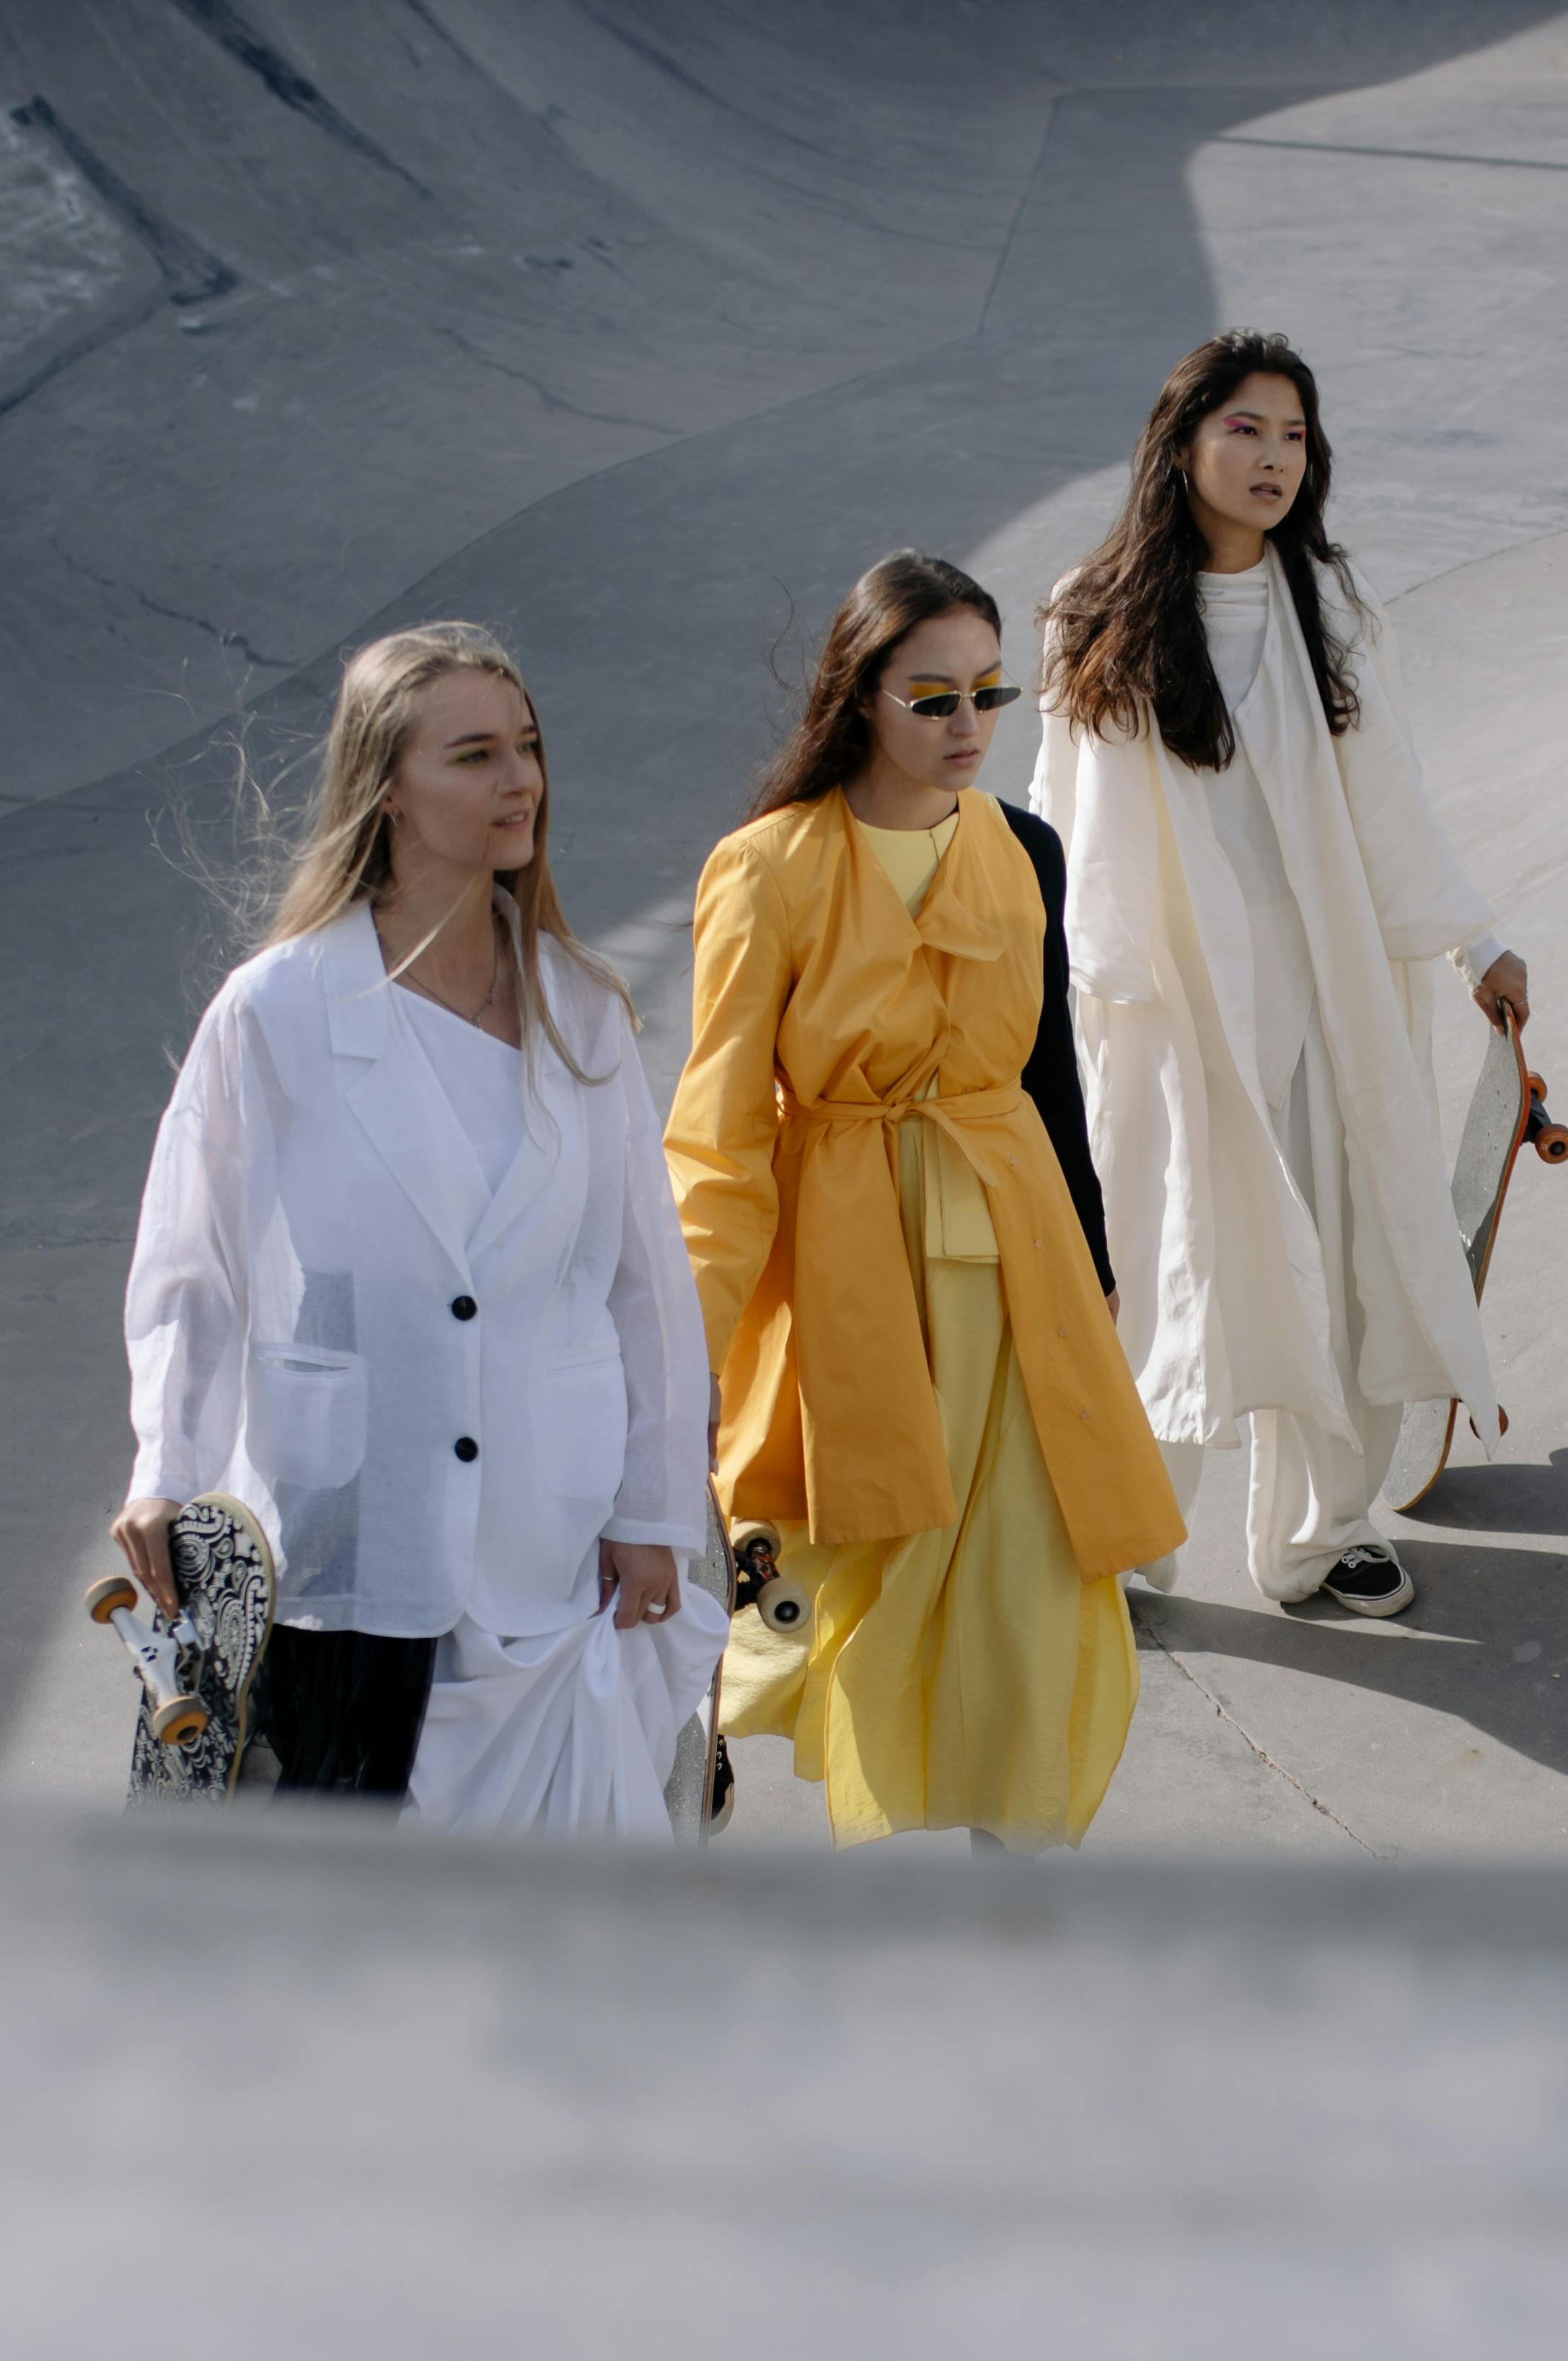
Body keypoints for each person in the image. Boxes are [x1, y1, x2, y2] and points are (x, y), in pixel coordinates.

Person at [109, 622, 726, 1834]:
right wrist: (169, 1471)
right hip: (348, 1545)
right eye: (477, 755)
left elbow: (643, 1278)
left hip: (548, 1548)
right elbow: (196, 1264)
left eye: (530, 747)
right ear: (387, 787)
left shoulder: (581, 1007)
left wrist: (652, 1510)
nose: (521, 782)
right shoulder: (279, 1010)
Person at [664, 551, 1184, 1852]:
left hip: (1020, 1265)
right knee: (828, 1566)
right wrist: (685, 1337)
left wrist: (1098, 1260)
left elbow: (1048, 1071)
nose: (968, 729)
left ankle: (1015, 1868)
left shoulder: (1025, 849)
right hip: (847, 1270)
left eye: (988, 697)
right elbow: (718, 1130)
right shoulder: (767, 867)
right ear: (859, 700)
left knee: (1035, 1578)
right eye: (932, 699)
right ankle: (688, 1740)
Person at [1033, 331, 1530, 1618]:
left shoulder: (1331, 612)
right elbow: (1056, 823)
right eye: (1246, 429)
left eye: (1294, 435)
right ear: (1183, 441)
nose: (1272, 458)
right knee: (1168, 1257)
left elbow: (1393, 802)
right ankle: (1134, 1539)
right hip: (1172, 1000)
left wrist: (1475, 942)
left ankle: (1324, 1527)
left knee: (1334, 1241)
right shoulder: (1091, 614)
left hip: (1321, 988)